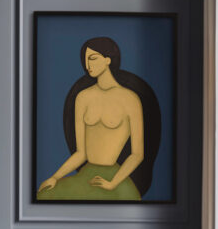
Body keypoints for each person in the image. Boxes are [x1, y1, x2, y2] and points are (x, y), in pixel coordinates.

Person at [36, 35, 160, 201]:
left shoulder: (130, 99)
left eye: (93, 59)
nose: (88, 65)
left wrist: (113, 183)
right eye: (86, 60)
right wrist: (55, 177)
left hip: (115, 177)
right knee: (46, 195)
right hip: (87, 174)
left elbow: (137, 154)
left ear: (108, 60)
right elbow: (81, 154)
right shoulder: (83, 97)